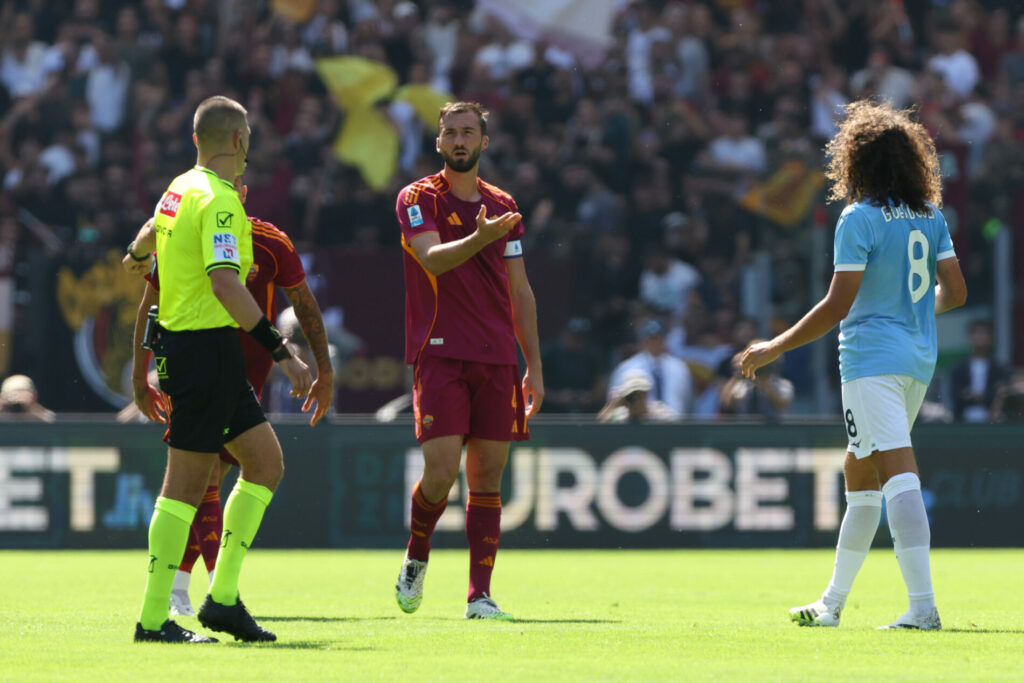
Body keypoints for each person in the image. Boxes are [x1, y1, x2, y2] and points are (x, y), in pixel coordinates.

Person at [741, 101, 967, 630]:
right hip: (917, 357)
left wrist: (774, 346)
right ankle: (831, 604)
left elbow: (836, 306)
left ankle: (923, 607)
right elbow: (954, 293)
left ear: (856, 161)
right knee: (859, 468)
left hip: (869, 358)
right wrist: (910, 307)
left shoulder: (858, 218)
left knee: (895, 470)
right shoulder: (930, 216)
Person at [126, 95, 312, 643]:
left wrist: (135, 250)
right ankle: (154, 617)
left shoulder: (179, 188)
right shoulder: (222, 199)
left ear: (196, 140)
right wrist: (281, 349)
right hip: (200, 350)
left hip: (207, 354)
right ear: (239, 142)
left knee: (265, 463)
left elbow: (146, 236)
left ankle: (223, 601)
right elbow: (226, 283)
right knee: (184, 484)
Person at [393, 101, 544, 621]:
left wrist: (535, 368)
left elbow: (521, 293)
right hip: (440, 352)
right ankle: (416, 555)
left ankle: (479, 595)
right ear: (438, 143)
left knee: (488, 476)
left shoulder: (503, 205)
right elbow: (432, 258)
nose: (459, 141)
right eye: (450, 133)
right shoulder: (417, 198)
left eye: (468, 133)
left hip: (498, 359)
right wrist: (478, 237)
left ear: (484, 142)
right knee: (440, 472)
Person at [608, 319, 693, 416]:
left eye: (658, 338)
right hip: (639, 427)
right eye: (651, 338)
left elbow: (688, 404)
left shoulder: (680, 368)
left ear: (665, 339)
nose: (654, 342)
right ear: (644, 340)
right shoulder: (627, 368)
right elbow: (615, 404)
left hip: (676, 426)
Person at [948, 319, 1007, 422]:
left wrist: (977, 397)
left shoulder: (998, 368)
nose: (980, 337)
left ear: (991, 338)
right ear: (969, 336)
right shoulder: (958, 367)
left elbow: (1001, 395)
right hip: (961, 422)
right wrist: (983, 397)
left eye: (984, 333)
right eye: (976, 333)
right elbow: (955, 395)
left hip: (993, 422)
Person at [596, 368, 678, 423]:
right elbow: (597, 429)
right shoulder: (619, 416)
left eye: (640, 394)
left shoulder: (659, 414)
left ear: (647, 394)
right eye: (631, 394)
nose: (636, 399)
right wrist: (612, 405)